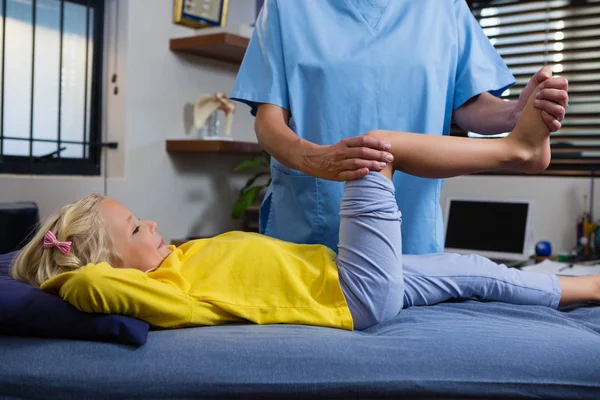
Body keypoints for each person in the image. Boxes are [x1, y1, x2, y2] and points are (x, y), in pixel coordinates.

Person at [10, 89, 597, 331]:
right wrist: (63, 262)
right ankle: (518, 150)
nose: (155, 224)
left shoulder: (174, 265)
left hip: (354, 278)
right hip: (354, 291)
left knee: (475, 272)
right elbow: (88, 284)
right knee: (376, 150)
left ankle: (588, 288)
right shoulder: (162, 294)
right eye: (137, 227)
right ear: (113, 270)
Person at [230, 0, 570, 254]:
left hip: (412, 232)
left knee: (380, 145)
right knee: (377, 144)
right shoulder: (287, 7)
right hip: (309, 230)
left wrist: (516, 114)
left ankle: (518, 147)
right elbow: (269, 123)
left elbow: (466, 105)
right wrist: (316, 159)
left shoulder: (443, 8)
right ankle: (518, 150)